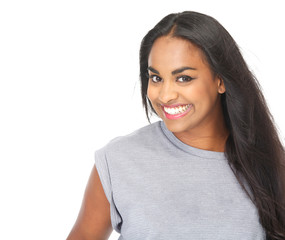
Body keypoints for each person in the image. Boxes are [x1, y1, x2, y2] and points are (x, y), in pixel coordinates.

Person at [66, 11, 285, 240]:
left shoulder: (271, 167)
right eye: (156, 78)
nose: (166, 95)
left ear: (221, 80)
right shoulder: (118, 161)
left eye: (183, 78)